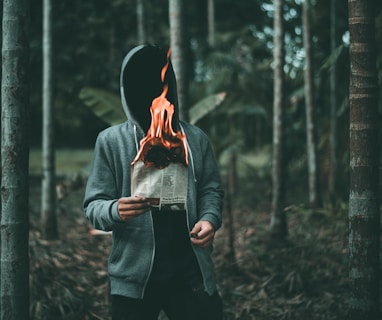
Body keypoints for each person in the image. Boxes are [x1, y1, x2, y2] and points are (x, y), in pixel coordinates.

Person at [83, 44, 224, 320]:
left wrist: (209, 219)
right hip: (134, 280)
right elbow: (93, 207)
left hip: (189, 273)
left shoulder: (195, 139)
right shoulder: (111, 142)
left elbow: (211, 189)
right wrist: (116, 210)